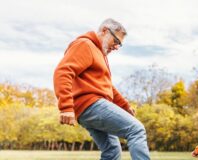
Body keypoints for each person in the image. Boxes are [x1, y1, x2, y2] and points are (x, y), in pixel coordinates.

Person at [53, 18, 150, 160]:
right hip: (91, 104)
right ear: (104, 31)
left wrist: (124, 106)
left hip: (89, 108)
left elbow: (107, 86)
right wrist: (66, 107)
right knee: (136, 130)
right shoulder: (85, 44)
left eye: (119, 45)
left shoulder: (99, 53)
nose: (116, 47)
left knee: (112, 150)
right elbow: (63, 72)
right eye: (116, 41)